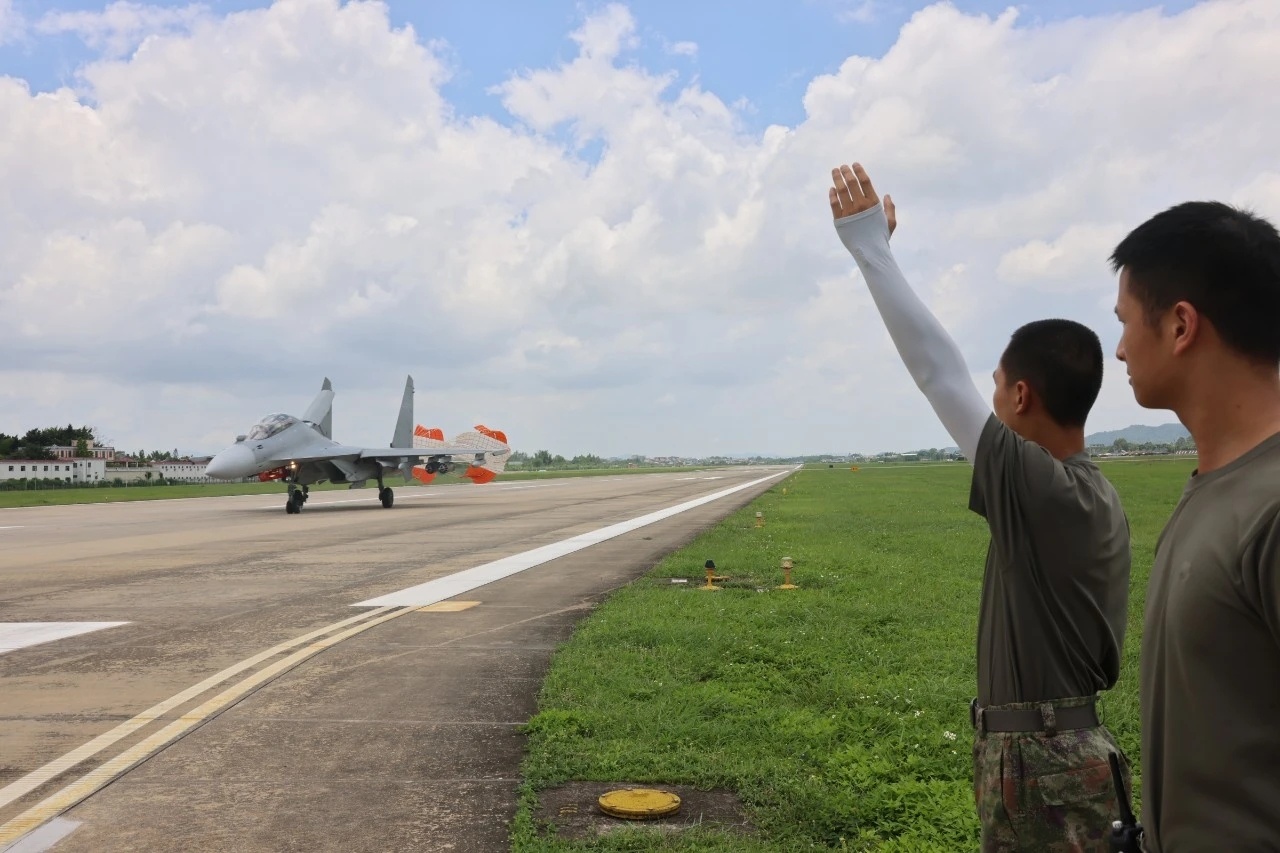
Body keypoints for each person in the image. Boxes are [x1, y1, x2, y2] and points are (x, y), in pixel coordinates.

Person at [827, 161, 1133, 851]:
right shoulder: (1085, 492)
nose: (988, 404)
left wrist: (868, 248)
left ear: (1022, 396)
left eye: (996, 389)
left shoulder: (1045, 489)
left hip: (1046, 767)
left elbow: (937, 372)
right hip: (1050, 755)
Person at [1109, 200, 1280, 852]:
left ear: (1180, 325)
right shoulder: (1213, 486)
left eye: (1125, 321)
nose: (1120, 347)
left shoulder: (1270, 506)